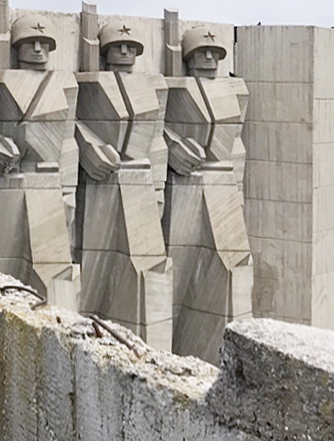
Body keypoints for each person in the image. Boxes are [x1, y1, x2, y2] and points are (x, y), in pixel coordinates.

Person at [74, 23, 173, 350]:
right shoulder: (92, 85)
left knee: (149, 272)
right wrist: (89, 148)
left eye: (131, 47)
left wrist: (158, 189)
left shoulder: (152, 87)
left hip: (140, 181)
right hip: (104, 184)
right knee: (96, 278)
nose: (126, 52)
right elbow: (71, 126)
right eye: (119, 46)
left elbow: (157, 140)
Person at [162, 26, 252, 361]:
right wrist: (172, 147)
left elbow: (237, 147)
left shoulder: (234, 93)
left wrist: (238, 192)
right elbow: (157, 131)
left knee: (232, 271)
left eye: (215, 52)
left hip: (223, 184)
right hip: (184, 187)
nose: (211, 58)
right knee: (177, 277)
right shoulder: (175, 89)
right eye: (202, 52)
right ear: (188, 57)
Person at [0, 13, 79, 307]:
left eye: (43, 43)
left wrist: (69, 190)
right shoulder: (0, 82)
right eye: (30, 42)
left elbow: (68, 139)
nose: (38, 49)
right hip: (10, 183)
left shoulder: (64, 83)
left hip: (49, 182)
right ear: (16, 48)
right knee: (2, 279)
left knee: (57, 279)